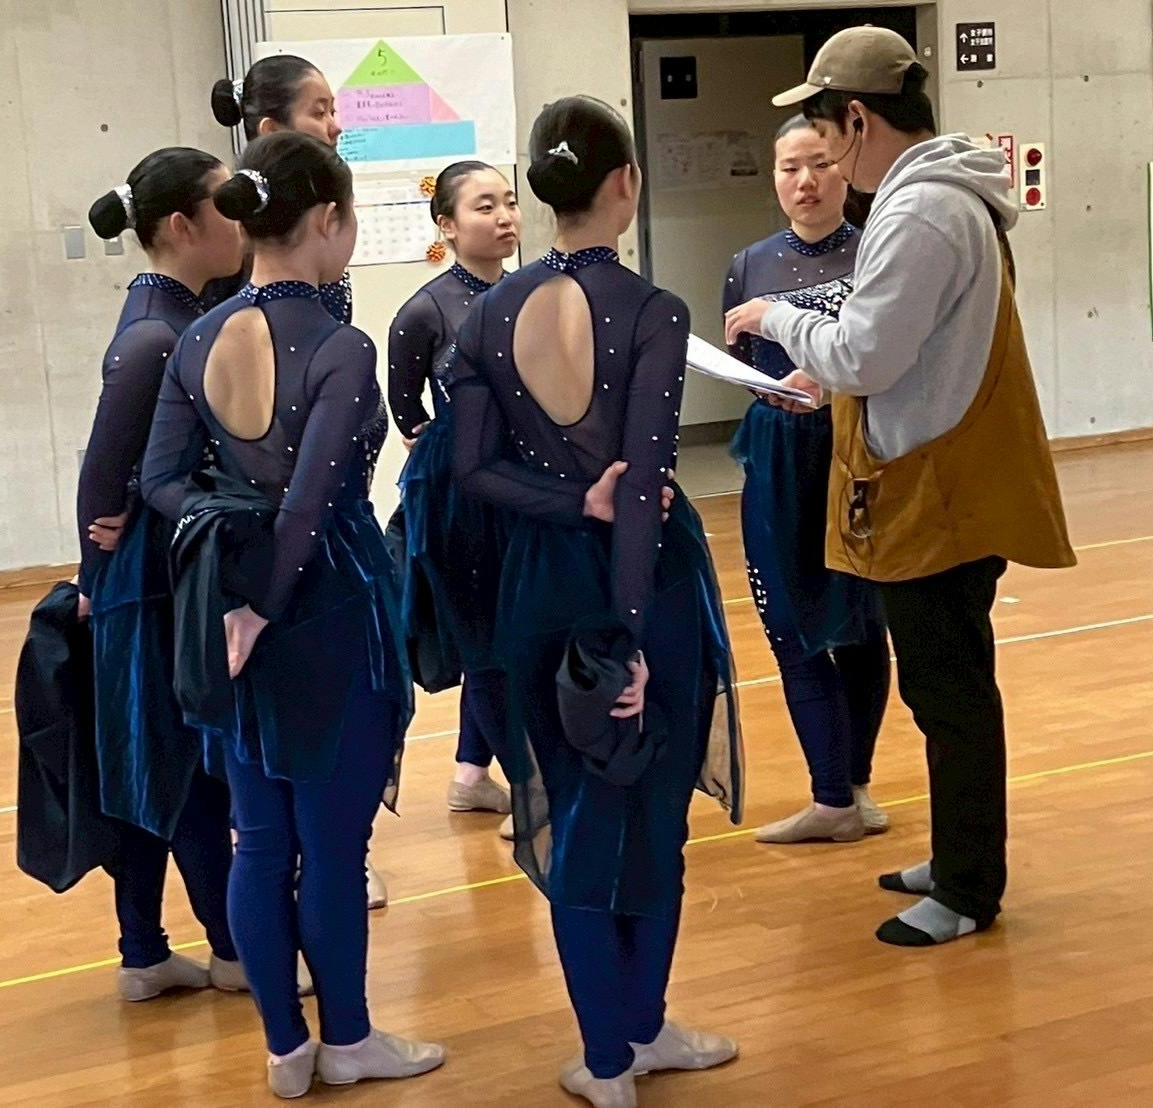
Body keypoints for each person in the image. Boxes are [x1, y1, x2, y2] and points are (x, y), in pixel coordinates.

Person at [726, 27, 1075, 946]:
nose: (823, 165)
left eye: (825, 138)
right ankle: (960, 853)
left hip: (936, 492)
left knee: (949, 694)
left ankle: (966, 888)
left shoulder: (921, 210)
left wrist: (780, 318)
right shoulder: (940, 197)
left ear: (856, 118)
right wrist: (826, 372)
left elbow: (868, 352)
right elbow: (893, 349)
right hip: (939, 478)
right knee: (943, 688)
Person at [141, 132, 444, 1098]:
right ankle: (346, 1038)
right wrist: (265, 606)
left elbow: (158, 481)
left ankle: (284, 1050)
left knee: (261, 843)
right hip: (324, 609)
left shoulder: (199, 336)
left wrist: (230, 554)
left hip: (233, 605)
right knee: (333, 848)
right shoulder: (339, 345)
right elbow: (309, 506)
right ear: (329, 220)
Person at [452, 97, 742, 1107]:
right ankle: (637, 1031)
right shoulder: (653, 310)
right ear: (625, 183)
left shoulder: (489, 310)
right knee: (651, 814)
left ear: (542, 193)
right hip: (643, 583)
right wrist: (629, 637)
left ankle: (610, 1054)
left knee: (576, 811)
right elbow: (646, 481)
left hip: (538, 581)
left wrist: (570, 497)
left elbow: (471, 469)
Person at [213, 53, 388, 908]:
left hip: (294, 539)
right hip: (285, 546)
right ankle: (314, 868)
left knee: (296, 798)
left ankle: (328, 858)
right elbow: (294, 468)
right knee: (289, 800)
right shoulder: (246, 269)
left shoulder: (321, 301)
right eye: (319, 108)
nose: (335, 122)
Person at [78, 148, 248, 1001]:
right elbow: (101, 480)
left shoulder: (176, 314)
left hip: (150, 574)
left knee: (147, 763)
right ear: (182, 225)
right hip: (149, 584)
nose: (242, 219)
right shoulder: (158, 333)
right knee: (184, 768)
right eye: (226, 205)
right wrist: (95, 572)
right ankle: (229, 949)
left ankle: (144, 952)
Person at [724, 117, 890, 845]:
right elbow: (742, 359)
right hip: (778, 455)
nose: (805, 181)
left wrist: (831, 382)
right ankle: (829, 794)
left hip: (855, 451)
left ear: (843, 168)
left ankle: (852, 786)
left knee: (862, 624)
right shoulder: (748, 263)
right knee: (788, 622)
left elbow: (887, 353)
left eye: (819, 163)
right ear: (773, 178)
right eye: (789, 167)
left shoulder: (876, 250)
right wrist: (771, 389)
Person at [388, 161, 520, 829]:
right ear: (446, 224)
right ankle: (530, 786)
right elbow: (403, 402)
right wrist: (437, 447)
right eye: (483, 207)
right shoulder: (426, 309)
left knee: (513, 632)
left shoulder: (531, 290)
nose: (503, 217)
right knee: (486, 640)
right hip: (462, 499)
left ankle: (471, 772)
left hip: (526, 486)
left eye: (509, 202)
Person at [207, 55, 352, 324]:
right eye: (319, 113)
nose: (336, 128)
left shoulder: (319, 203)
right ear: (272, 129)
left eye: (332, 112)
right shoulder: (246, 223)